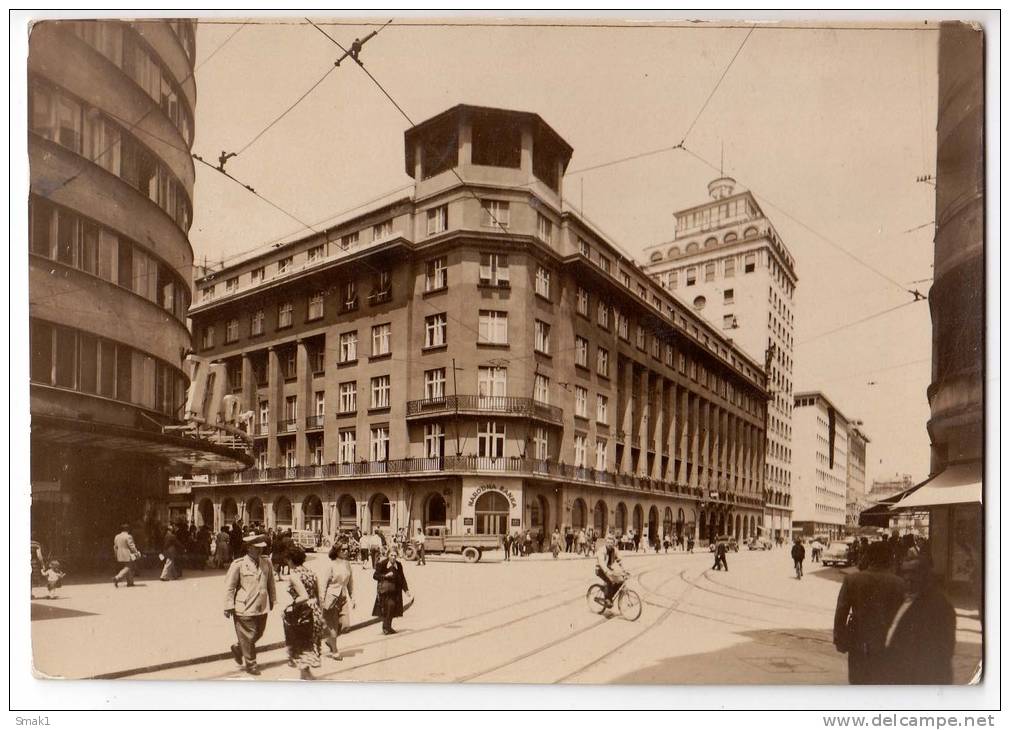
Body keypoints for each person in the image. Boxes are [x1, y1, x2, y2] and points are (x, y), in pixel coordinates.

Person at [832, 540, 907, 684]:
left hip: (858, 643)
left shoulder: (852, 580)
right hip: (888, 645)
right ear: (890, 558)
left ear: (868, 557)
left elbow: (841, 611)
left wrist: (840, 639)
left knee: (860, 684)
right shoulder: (900, 583)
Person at [882, 553, 956, 684]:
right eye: (905, 573)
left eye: (913, 573)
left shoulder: (938, 604)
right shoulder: (902, 599)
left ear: (925, 575)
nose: (908, 577)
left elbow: (941, 651)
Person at [223, 533, 276, 675]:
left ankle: (239, 648)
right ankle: (251, 664)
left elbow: (271, 582)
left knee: (258, 633)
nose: (260, 551)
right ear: (248, 548)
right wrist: (228, 605)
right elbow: (229, 586)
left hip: (261, 605)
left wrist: (273, 599)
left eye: (262, 548)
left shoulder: (266, 562)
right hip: (244, 606)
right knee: (248, 636)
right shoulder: (238, 564)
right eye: (256, 548)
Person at [283, 546, 325, 680]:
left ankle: (304, 675)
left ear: (290, 560)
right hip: (315, 611)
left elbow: (304, 596)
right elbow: (319, 596)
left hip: (303, 612)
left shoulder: (294, 575)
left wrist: (289, 605)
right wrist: (320, 613)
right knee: (310, 641)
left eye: (287, 560)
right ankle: (305, 673)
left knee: (300, 642)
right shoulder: (311, 573)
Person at [318, 541, 355, 659]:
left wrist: (352, 598)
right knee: (332, 626)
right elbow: (323, 584)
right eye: (343, 549)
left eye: (347, 549)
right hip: (331, 598)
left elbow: (350, 582)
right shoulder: (331, 565)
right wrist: (322, 600)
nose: (346, 551)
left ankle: (329, 640)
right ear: (337, 551)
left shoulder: (347, 564)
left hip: (343, 597)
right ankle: (335, 651)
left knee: (345, 625)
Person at [372, 547, 410, 635]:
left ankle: (388, 627)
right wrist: (385, 576)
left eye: (395, 555)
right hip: (385, 590)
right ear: (388, 555)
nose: (393, 557)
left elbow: (402, 578)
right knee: (388, 608)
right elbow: (375, 576)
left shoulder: (399, 565)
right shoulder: (382, 564)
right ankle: (386, 627)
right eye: (391, 555)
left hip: (396, 591)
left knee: (392, 609)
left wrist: (406, 590)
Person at [595, 534, 628, 609]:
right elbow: (601, 563)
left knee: (620, 580)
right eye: (608, 542)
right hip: (600, 569)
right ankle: (607, 599)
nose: (610, 544)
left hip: (608, 569)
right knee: (610, 581)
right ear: (606, 542)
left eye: (612, 543)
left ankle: (610, 595)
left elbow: (619, 560)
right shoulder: (602, 550)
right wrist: (607, 572)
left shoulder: (614, 550)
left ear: (614, 543)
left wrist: (624, 570)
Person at [113, 523, 141, 588]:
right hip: (127, 554)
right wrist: (136, 552)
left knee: (128, 566)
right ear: (128, 529)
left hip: (119, 554)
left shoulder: (117, 536)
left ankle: (130, 582)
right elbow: (132, 546)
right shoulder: (128, 536)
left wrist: (116, 554)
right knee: (128, 567)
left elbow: (115, 546)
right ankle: (117, 577)